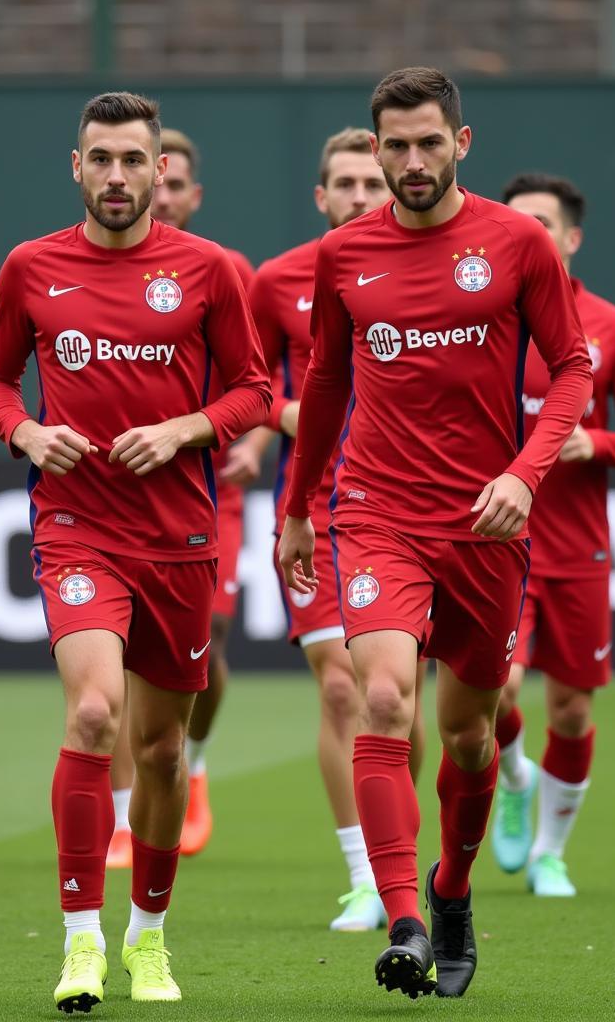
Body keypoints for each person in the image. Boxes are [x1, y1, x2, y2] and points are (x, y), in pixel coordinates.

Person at [278, 67, 593, 999]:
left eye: (428, 143)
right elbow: (327, 384)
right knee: (382, 699)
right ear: (374, 149)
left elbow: (571, 369)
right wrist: (300, 507)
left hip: (485, 522)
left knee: (468, 738)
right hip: (375, 513)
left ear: (462, 143)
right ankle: (405, 920)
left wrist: (522, 474)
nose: (411, 161)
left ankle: (450, 890)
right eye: (394, 145)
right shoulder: (345, 254)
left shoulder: (516, 244)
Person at [0, 92, 270, 1013]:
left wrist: (185, 428)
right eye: (99, 159)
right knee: (93, 716)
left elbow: (255, 389)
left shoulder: (210, 270)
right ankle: (79, 942)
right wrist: (23, 431)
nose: (116, 177)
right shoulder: (31, 266)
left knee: (163, 749)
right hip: (76, 527)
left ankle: (148, 937)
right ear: (76, 166)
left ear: (160, 174)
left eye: (133, 162)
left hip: (178, 537)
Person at [251, 127, 427, 933]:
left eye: (370, 180)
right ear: (320, 196)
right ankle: (366, 876)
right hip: (320, 503)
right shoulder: (280, 279)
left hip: (418, 504)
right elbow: (248, 387)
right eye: (344, 184)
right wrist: (300, 418)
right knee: (342, 685)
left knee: (411, 699)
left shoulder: (432, 263)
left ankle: (407, 846)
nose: (360, 195)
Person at [490, 173, 615, 895]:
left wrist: (596, 445)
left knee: (570, 708)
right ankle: (511, 778)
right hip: (498, 544)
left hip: (577, 552)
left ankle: (550, 853)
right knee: (497, 694)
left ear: (570, 238)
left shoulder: (612, 327)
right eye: (517, 224)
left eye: (542, 224)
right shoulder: (486, 321)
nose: (530, 235)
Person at [104, 128, 257, 870]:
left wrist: (252, 447)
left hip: (205, 486)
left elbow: (262, 379)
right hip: (106, 497)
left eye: (166, 181)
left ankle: (190, 761)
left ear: (188, 192)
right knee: (104, 666)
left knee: (212, 640)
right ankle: (120, 817)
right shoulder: (79, 266)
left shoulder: (223, 270)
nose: (153, 192)